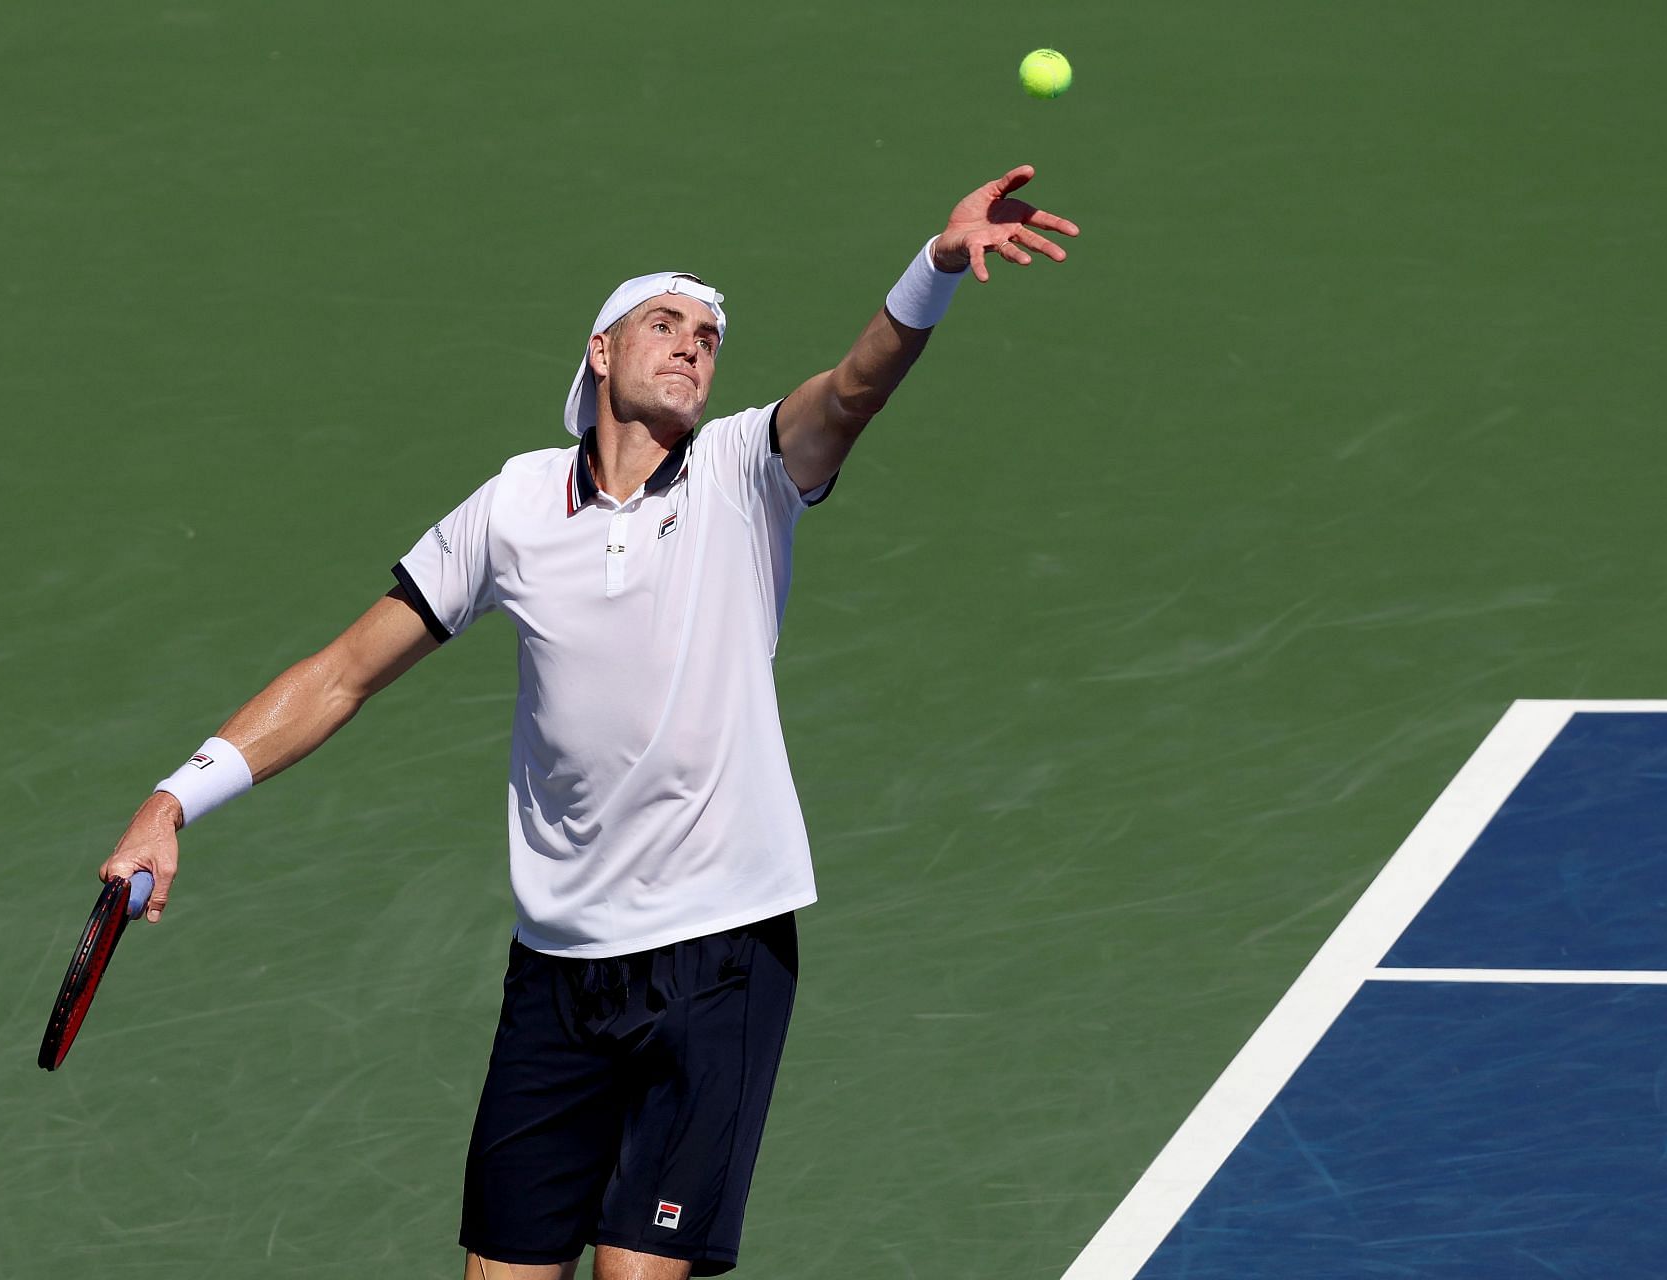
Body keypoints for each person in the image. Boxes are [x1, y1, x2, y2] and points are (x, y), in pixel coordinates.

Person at [100, 165, 1078, 1279]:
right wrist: (177, 795)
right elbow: (342, 674)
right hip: (558, 968)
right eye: (665, 323)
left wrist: (935, 269)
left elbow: (854, 388)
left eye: (709, 336)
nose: (694, 345)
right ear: (601, 352)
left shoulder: (746, 470)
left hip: (718, 953)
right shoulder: (513, 505)